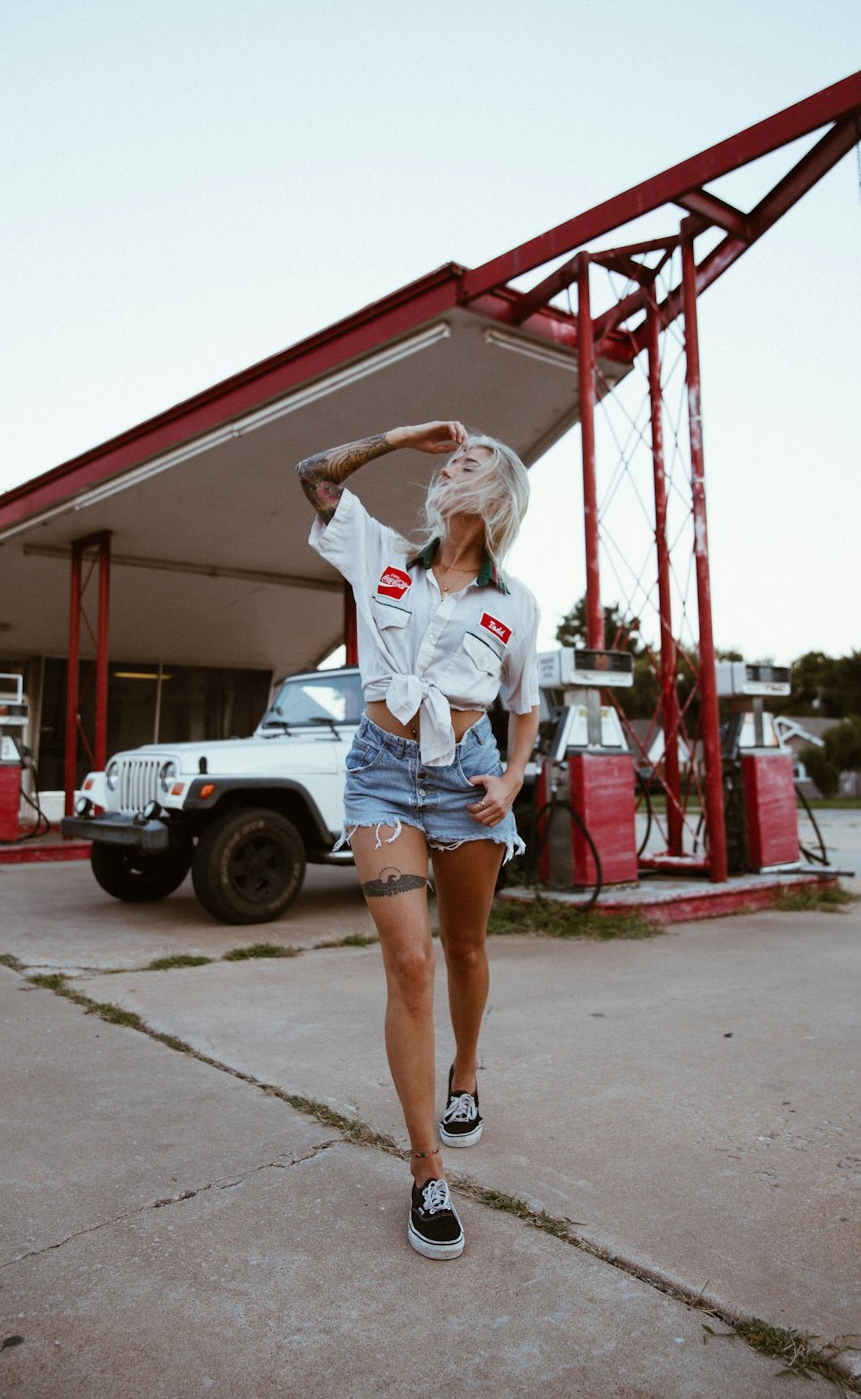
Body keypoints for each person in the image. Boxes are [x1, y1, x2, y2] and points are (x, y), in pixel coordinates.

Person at [297, 420, 541, 1259]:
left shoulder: (515, 603)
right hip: (380, 773)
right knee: (411, 964)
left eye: (470, 462)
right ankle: (427, 1169)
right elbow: (315, 473)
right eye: (448, 461)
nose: (450, 469)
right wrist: (402, 437)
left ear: (500, 497)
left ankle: (464, 1076)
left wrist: (510, 779)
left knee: (466, 947)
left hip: (466, 778)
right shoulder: (384, 553)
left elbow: (526, 704)